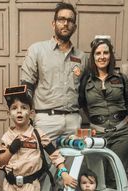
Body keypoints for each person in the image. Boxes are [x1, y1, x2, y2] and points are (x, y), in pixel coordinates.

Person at [79, 35, 128, 185]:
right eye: (98, 53)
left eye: (106, 52)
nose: (102, 56)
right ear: (93, 56)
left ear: (111, 55)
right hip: (98, 135)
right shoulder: (85, 80)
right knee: (95, 178)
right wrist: (95, 120)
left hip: (122, 134)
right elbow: (82, 104)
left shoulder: (121, 78)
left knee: (114, 177)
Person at [20, 2, 88, 141]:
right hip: (46, 120)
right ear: (53, 23)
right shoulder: (37, 50)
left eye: (70, 21)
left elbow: (84, 91)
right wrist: (28, 117)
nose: (65, 24)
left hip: (73, 121)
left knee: (72, 162)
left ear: (74, 27)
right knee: (43, 162)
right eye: (61, 19)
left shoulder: (82, 57)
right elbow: (26, 86)